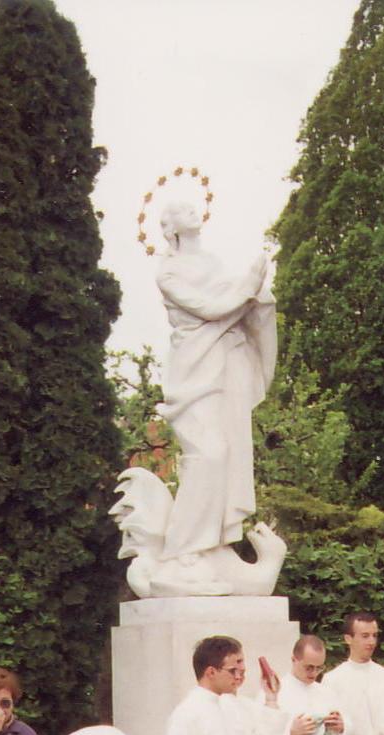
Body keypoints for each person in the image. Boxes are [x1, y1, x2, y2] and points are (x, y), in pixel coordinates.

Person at [154, 200, 275, 567]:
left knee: (230, 452)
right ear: (170, 226)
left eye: (195, 208)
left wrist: (255, 294)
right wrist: (246, 290)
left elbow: (232, 303)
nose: (193, 211)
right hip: (193, 369)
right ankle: (182, 548)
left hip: (225, 363)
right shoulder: (168, 273)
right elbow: (208, 310)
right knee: (208, 454)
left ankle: (214, 544)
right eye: (183, 210)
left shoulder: (212, 262)